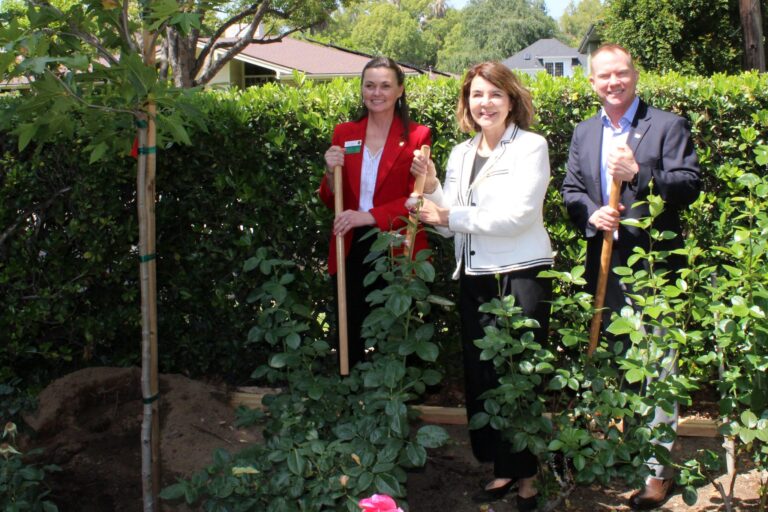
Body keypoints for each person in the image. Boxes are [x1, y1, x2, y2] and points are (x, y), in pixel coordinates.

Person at [561, 44, 701, 510]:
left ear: (634, 76)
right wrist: (591, 213)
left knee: (658, 366)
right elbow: (572, 189)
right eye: (604, 76)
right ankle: (622, 453)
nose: (613, 82)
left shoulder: (666, 125)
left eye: (621, 73)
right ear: (592, 83)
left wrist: (642, 172)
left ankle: (655, 471)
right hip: (603, 267)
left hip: (654, 272)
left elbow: (690, 185)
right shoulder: (584, 132)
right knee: (618, 365)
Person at [408, 61, 553, 511]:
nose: (484, 103)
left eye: (494, 94)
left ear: (511, 100)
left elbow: (518, 217)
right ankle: (503, 468)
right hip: (474, 277)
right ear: (466, 102)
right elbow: (450, 223)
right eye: (476, 95)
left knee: (519, 377)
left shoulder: (531, 147)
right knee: (484, 376)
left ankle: (528, 480)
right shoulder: (460, 153)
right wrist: (431, 189)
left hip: (520, 275)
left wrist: (447, 215)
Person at [318, 57, 431, 368]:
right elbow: (331, 198)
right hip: (351, 244)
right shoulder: (344, 132)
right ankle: (352, 397)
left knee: (399, 330)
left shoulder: (418, 136)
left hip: (397, 243)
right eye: (369, 85)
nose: (376, 92)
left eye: (385, 85)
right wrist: (330, 173)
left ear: (399, 91)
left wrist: (367, 216)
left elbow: (416, 199)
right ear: (362, 90)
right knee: (349, 326)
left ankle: (399, 403)